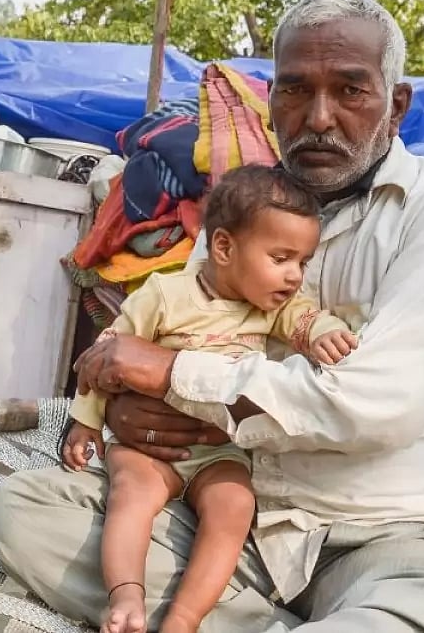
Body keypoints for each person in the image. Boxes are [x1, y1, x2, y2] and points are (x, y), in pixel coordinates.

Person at [0, 0, 424, 633]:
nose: (319, 118)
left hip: (409, 539)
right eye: (295, 90)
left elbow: (378, 406)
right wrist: (134, 414)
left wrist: (168, 377)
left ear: (397, 106)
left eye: (351, 91)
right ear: (271, 98)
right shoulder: (244, 212)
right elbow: (182, 335)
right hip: (246, 523)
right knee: (30, 508)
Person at [62, 165, 355, 633]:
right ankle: (125, 597)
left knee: (235, 505)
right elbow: (106, 358)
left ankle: (183, 619)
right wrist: (86, 423)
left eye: (302, 262)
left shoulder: (271, 309)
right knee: (131, 495)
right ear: (223, 247)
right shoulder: (163, 294)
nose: (294, 276)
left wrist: (326, 334)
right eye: (280, 258)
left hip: (219, 451)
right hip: (146, 449)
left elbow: (305, 319)